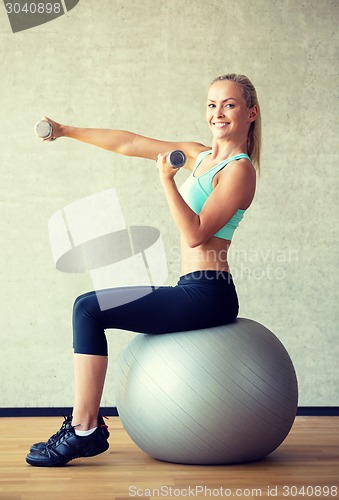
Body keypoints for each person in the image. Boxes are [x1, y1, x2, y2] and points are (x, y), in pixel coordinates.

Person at [26, 73, 261, 467]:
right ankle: (85, 427)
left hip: (210, 294)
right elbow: (130, 143)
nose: (217, 113)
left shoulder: (239, 171)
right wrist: (66, 131)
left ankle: (84, 429)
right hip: (191, 285)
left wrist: (166, 181)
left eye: (229, 104)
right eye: (211, 104)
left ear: (250, 113)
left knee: (88, 308)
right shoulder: (199, 156)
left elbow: (195, 235)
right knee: (88, 306)